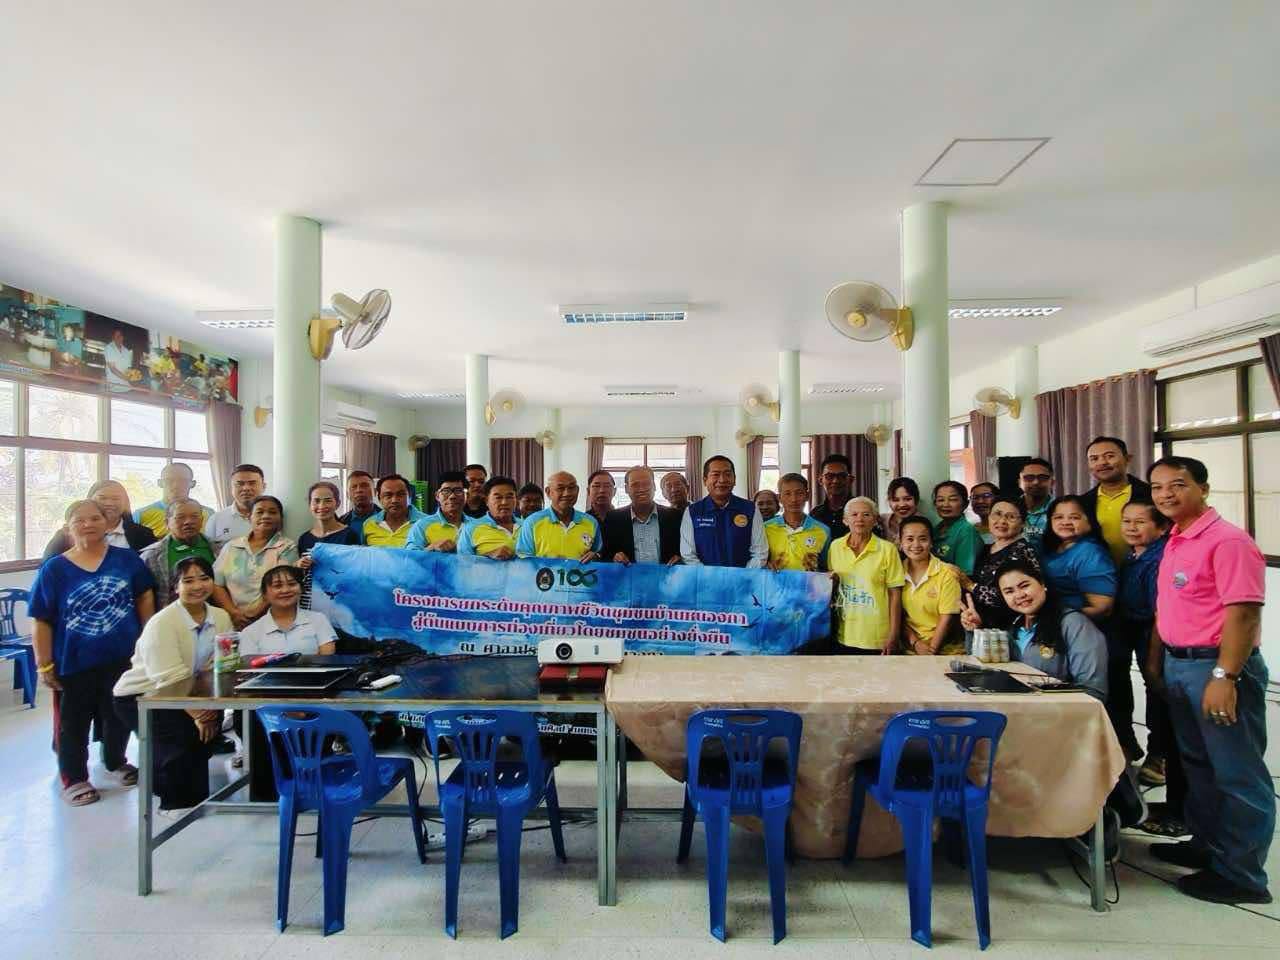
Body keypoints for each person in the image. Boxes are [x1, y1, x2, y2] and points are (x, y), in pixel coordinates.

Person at [1145, 456, 1273, 905]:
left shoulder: (1229, 541)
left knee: (1237, 771)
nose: (1165, 494)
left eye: (1177, 484)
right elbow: (1168, 607)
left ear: (1203, 488)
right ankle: (1207, 847)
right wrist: (1157, 662)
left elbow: (1243, 613)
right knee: (1198, 765)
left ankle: (1243, 875)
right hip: (1181, 665)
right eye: (1157, 487)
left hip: (1216, 666)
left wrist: (1225, 675)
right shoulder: (1176, 538)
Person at [30, 500, 155, 806]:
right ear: (67, 527)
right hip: (74, 661)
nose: (88, 524)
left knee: (118, 714)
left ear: (106, 523)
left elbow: (144, 596)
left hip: (123, 657)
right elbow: (41, 619)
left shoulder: (126, 559)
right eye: (80, 520)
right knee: (73, 723)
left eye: (95, 518)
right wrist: (43, 664)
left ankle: (115, 761)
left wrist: (147, 640)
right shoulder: (55, 569)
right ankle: (74, 778)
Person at [112, 555, 229, 815]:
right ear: (175, 587)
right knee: (180, 738)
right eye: (188, 581)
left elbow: (219, 664)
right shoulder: (162, 623)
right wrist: (199, 715)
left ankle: (187, 793)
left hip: (191, 691)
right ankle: (171, 803)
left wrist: (210, 712)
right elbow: (169, 678)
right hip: (144, 694)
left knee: (203, 737)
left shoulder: (220, 617)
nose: (198, 586)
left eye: (204, 578)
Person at [1115, 498, 1186, 834]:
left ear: (1161, 527)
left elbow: (1160, 613)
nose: (1131, 527)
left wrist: (1154, 661)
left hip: (1154, 634)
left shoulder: (1160, 558)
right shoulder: (1133, 555)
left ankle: (1161, 758)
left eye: (1140, 522)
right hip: (1131, 627)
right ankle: (1135, 748)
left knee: (1158, 694)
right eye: (1126, 521)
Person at [960, 559, 1107, 701]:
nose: (1019, 595)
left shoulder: (1074, 624)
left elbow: (1093, 691)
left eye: (1024, 586)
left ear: (1042, 584)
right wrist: (974, 630)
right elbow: (983, 672)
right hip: (1013, 710)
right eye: (1009, 591)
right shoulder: (1011, 627)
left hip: (1057, 713)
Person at [827, 497, 904, 655]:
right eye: (854, 514)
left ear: (875, 520)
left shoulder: (887, 549)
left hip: (877, 636)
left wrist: (894, 634)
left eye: (866, 514)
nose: (860, 519)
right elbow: (832, 586)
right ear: (845, 520)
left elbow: (895, 594)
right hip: (844, 633)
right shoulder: (835, 547)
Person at [211, 495, 299, 629]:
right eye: (259, 512)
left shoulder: (287, 547)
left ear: (281, 519)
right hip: (234, 621)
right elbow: (217, 584)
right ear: (249, 517)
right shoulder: (232, 546)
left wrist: (252, 615)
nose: (266, 516)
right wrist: (233, 613)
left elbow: (282, 587)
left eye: (272, 512)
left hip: (274, 622)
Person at [968, 494, 1043, 629]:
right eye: (997, 514)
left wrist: (970, 586)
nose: (1002, 521)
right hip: (980, 624)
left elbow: (1012, 596)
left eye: (1011, 517)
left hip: (1012, 627)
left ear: (1023, 523)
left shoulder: (1023, 551)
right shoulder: (986, 549)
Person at [680, 455, 767, 567]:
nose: (722, 480)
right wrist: (707, 575)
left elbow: (760, 552)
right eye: (715, 474)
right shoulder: (693, 511)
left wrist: (743, 575)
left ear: (734, 480)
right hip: (704, 577)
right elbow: (688, 554)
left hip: (744, 576)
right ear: (705, 480)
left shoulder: (750, 509)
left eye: (727, 474)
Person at [1041, 495, 1116, 620]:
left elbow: (1102, 608)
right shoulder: (1053, 546)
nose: (1065, 522)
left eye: (1074, 517)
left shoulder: (1090, 553)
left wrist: (1054, 618)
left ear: (1089, 521)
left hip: (1077, 623)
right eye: (1058, 517)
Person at [898, 515, 964, 655]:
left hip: (945, 649)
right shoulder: (896, 572)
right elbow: (897, 615)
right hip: (908, 648)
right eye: (909, 539)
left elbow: (947, 618)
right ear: (900, 543)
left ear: (931, 542)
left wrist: (931, 650)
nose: (916, 545)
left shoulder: (947, 573)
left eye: (923, 539)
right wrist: (915, 643)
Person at [1081, 436, 1152, 565]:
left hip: (1146, 569)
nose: (1102, 462)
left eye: (1109, 456)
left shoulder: (1151, 495)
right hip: (1101, 571)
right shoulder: (1083, 501)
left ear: (1127, 459)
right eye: (1094, 459)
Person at [238, 565, 338, 656]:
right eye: (277, 586)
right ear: (265, 594)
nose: (285, 590)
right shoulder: (250, 632)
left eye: (292, 584)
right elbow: (249, 667)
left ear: (301, 589)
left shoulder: (319, 620)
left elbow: (326, 660)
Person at [42, 479, 156, 557]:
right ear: (89, 500)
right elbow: (48, 570)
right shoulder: (67, 534)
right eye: (102, 498)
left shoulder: (143, 534)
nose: (109, 503)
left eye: (116, 499)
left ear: (125, 502)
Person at [139, 498, 216, 608]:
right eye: (180, 517)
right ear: (167, 523)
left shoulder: (219, 548)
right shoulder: (151, 556)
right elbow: (144, 597)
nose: (188, 522)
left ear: (202, 520)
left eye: (194, 516)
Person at [296, 481, 361, 608]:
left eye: (328, 500)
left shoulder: (349, 535)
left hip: (339, 605)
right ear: (309, 504)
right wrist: (299, 565)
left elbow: (356, 573)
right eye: (316, 501)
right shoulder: (304, 538)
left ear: (338, 503)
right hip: (308, 605)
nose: (321, 506)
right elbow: (300, 576)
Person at [602, 465, 682, 564]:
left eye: (646, 484)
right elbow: (605, 554)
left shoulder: (674, 516)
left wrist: (680, 558)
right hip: (628, 573)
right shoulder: (613, 519)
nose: (642, 489)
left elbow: (684, 551)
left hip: (666, 573)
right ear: (626, 489)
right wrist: (614, 558)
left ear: (654, 486)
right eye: (635, 485)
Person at [517, 471, 602, 561]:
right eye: (560, 488)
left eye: (571, 488)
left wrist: (596, 555)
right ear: (548, 492)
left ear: (577, 490)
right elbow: (524, 559)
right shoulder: (532, 523)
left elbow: (598, 552)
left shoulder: (591, 522)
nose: (567, 493)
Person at [763, 472, 830, 571]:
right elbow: (760, 561)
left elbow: (825, 568)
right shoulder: (766, 528)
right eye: (787, 494)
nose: (793, 499)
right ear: (779, 498)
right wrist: (766, 566)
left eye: (799, 493)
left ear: (807, 496)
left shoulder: (823, 531)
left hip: (809, 581)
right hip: (776, 581)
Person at [133, 462, 211, 538]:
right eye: (169, 481)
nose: (176, 486)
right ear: (160, 483)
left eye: (183, 481)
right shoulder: (140, 515)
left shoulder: (208, 514)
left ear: (192, 484)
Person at [203, 463, 266, 555]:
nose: (246, 488)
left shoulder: (274, 517)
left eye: (252, 483)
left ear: (263, 486)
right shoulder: (216, 519)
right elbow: (210, 553)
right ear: (231, 488)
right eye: (240, 484)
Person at [457, 476, 521, 559]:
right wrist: (488, 556)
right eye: (498, 497)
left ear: (516, 499)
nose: (504, 502)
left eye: (509, 497)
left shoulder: (527, 526)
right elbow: (462, 563)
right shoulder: (470, 528)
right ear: (486, 501)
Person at [407, 471, 468, 551]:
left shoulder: (476, 525)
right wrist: (431, 548)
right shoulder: (422, 525)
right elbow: (410, 556)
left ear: (466, 495)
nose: (452, 496)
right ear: (437, 496)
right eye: (446, 491)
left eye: (458, 491)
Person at [932, 480, 983, 575]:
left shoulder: (966, 531)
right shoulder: (936, 529)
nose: (945, 504)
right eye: (940, 500)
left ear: (965, 504)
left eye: (953, 500)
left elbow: (963, 574)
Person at [361, 474, 426, 547]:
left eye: (400, 494)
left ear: (410, 497)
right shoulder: (369, 524)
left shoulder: (426, 523)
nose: (394, 500)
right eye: (388, 495)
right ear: (380, 499)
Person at [811, 453, 853, 540]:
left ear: (850, 480)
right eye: (829, 476)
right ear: (820, 480)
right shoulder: (815, 515)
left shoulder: (863, 511)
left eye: (841, 476)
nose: (835, 481)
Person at [1018, 457, 1054, 546]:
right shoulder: (1010, 508)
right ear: (1019, 483)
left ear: (1052, 483)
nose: (1036, 482)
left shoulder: (1060, 509)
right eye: (1029, 478)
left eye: (1042, 478)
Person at [880, 477, 920, 545]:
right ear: (889, 501)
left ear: (916, 500)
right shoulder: (880, 520)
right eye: (896, 500)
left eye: (907, 499)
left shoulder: (922, 524)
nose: (902, 505)